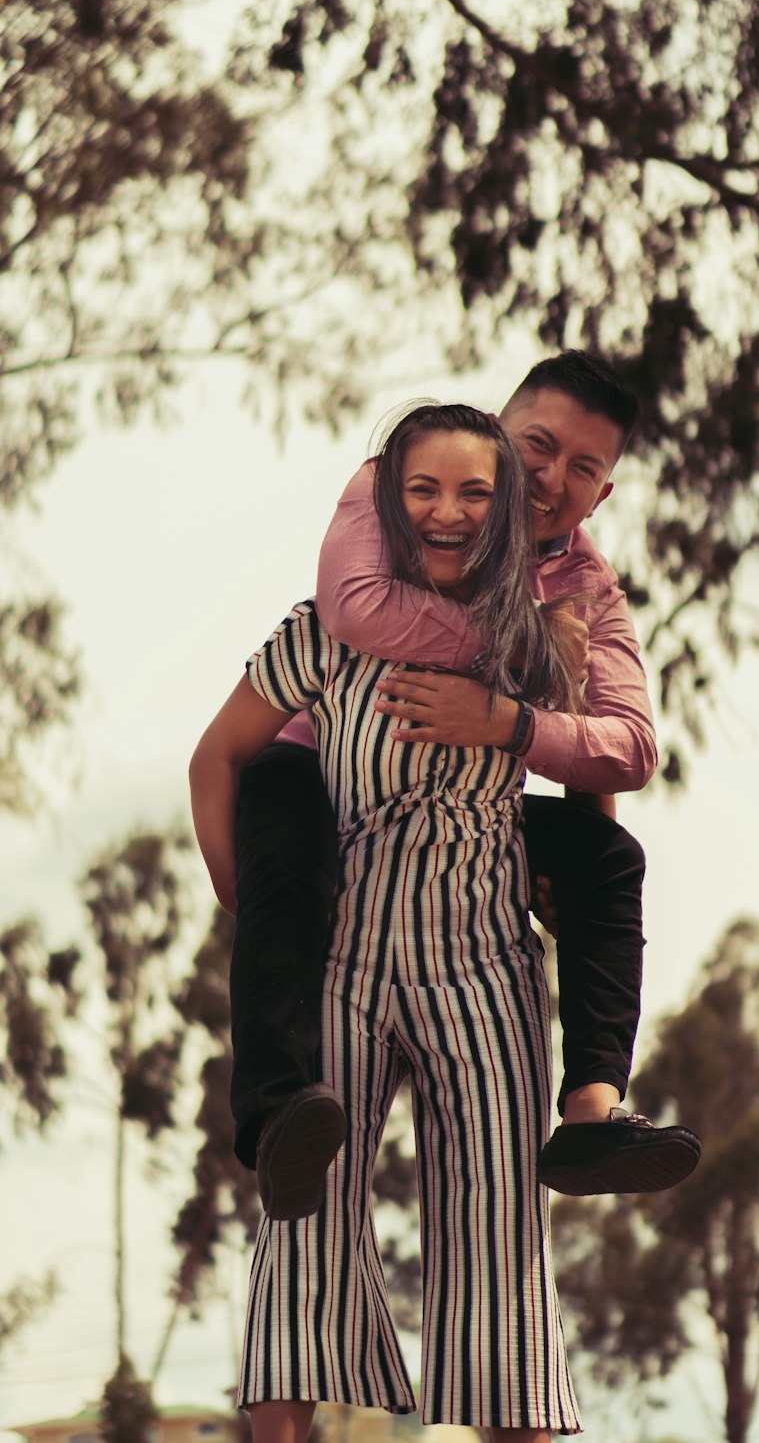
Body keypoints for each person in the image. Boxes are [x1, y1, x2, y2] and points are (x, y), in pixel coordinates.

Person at [191, 403, 600, 1440]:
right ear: (388, 501)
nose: (448, 512)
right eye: (423, 490)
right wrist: (246, 905)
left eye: (474, 493)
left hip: (485, 972)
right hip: (345, 967)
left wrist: (577, 875)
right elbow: (217, 757)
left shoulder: (536, 644)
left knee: (503, 1256)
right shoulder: (327, 633)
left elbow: (598, 762)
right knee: (302, 1230)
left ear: (505, 507)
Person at [231, 352, 702, 1220]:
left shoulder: (588, 591)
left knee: (606, 853)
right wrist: (517, 655)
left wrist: (514, 725)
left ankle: (593, 1109)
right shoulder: (400, 492)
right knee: (286, 848)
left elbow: (629, 748)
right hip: (321, 762)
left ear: (603, 494)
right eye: (539, 446)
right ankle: (272, 1107)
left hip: (464, 793)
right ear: (498, 432)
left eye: (585, 468)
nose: (553, 478)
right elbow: (351, 607)